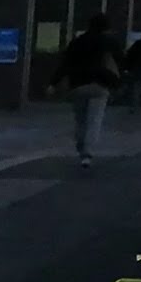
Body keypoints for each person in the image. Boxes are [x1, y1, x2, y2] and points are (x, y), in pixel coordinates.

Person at [57, 11, 121, 168]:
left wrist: (54, 82)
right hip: (100, 85)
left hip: (78, 85)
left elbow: (65, 63)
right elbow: (121, 61)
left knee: (80, 120)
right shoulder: (109, 42)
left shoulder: (77, 42)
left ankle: (80, 145)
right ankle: (87, 153)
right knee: (94, 121)